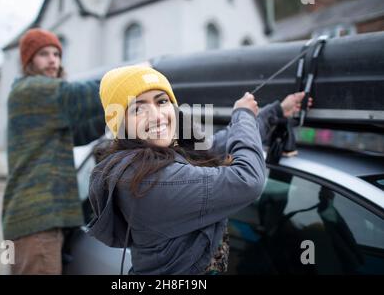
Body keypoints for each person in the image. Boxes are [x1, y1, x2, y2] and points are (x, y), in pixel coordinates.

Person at [87, 65, 310, 275]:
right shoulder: (149, 180)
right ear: (121, 124)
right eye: (138, 108)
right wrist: (244, 116)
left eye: (162, 101)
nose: (156, 116)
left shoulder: (159, 154)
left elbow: (214, 147)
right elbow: (248, 180)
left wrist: (275, 112)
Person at [2, 28, 105, 275]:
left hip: (24, 222)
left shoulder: (45, 106)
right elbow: (80, 96)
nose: (53, 60)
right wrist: (135, 77)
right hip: (37, 223)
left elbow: (80, 131)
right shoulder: (31, 90)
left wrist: (120, 115)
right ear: (28, 61)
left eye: (57, 54)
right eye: (43, 54)